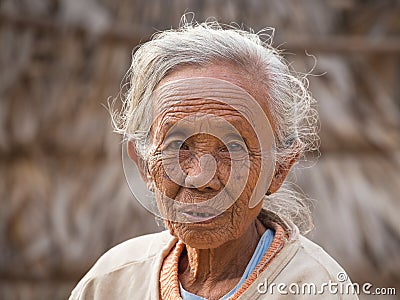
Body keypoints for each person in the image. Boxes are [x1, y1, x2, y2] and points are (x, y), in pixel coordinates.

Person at [70, 20, 358, 299]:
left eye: (232, 148)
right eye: (178, 146)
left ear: (278, 169)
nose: (199, 178)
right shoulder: (110, 283)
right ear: (144, 164)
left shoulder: (318, 289)